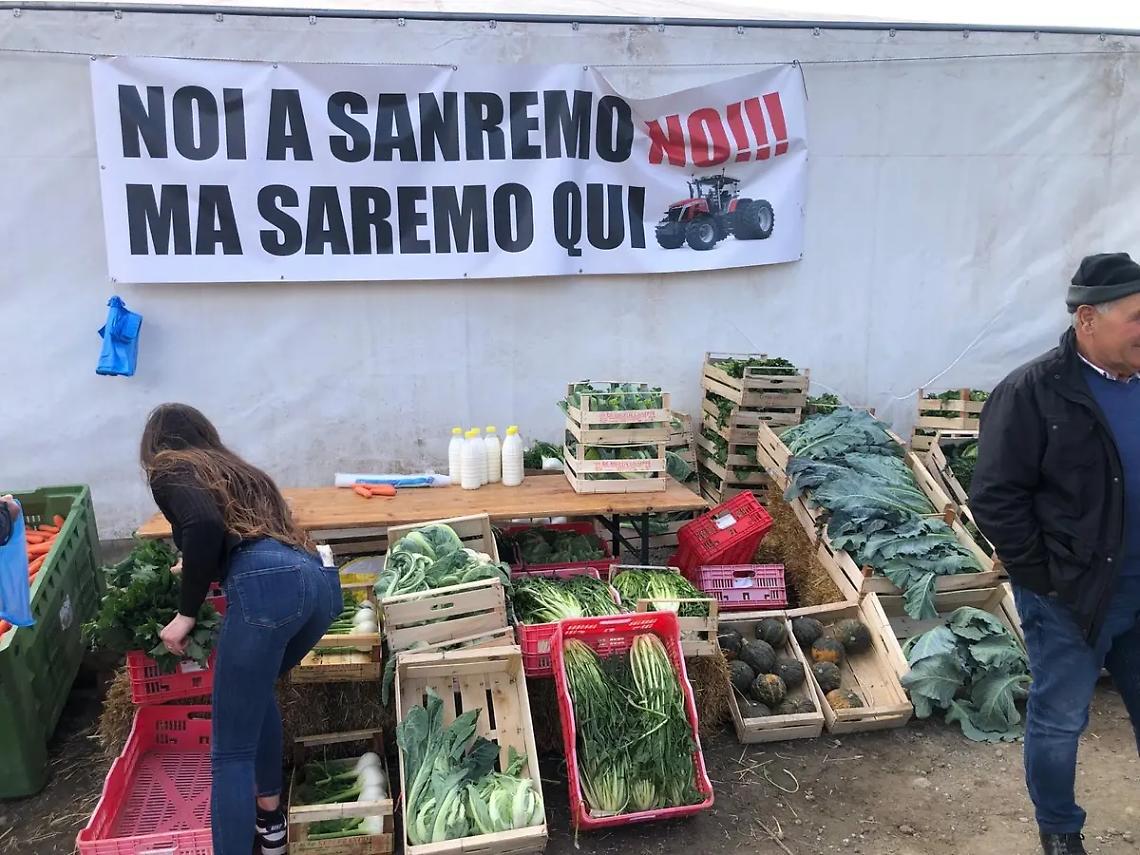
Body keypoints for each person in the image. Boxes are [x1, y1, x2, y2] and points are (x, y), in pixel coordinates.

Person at [970, 252, 1140, 855]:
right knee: (1061, 719)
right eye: (1138, 317)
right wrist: (1044, 577)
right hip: (1071, 595)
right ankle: (1061, 833)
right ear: (1088, 319)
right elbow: (995, 496)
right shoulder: (1032, 391)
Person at [142, 403, 340, 855]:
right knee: (256, 691)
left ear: (156, 445)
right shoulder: (239, 471)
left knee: (229, 754)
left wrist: (186, 611)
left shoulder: (169, 468)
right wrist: (199, 565)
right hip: (318, 584)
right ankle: (270, 824)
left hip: (270, 587)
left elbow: (206, 524)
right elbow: (242, 536)